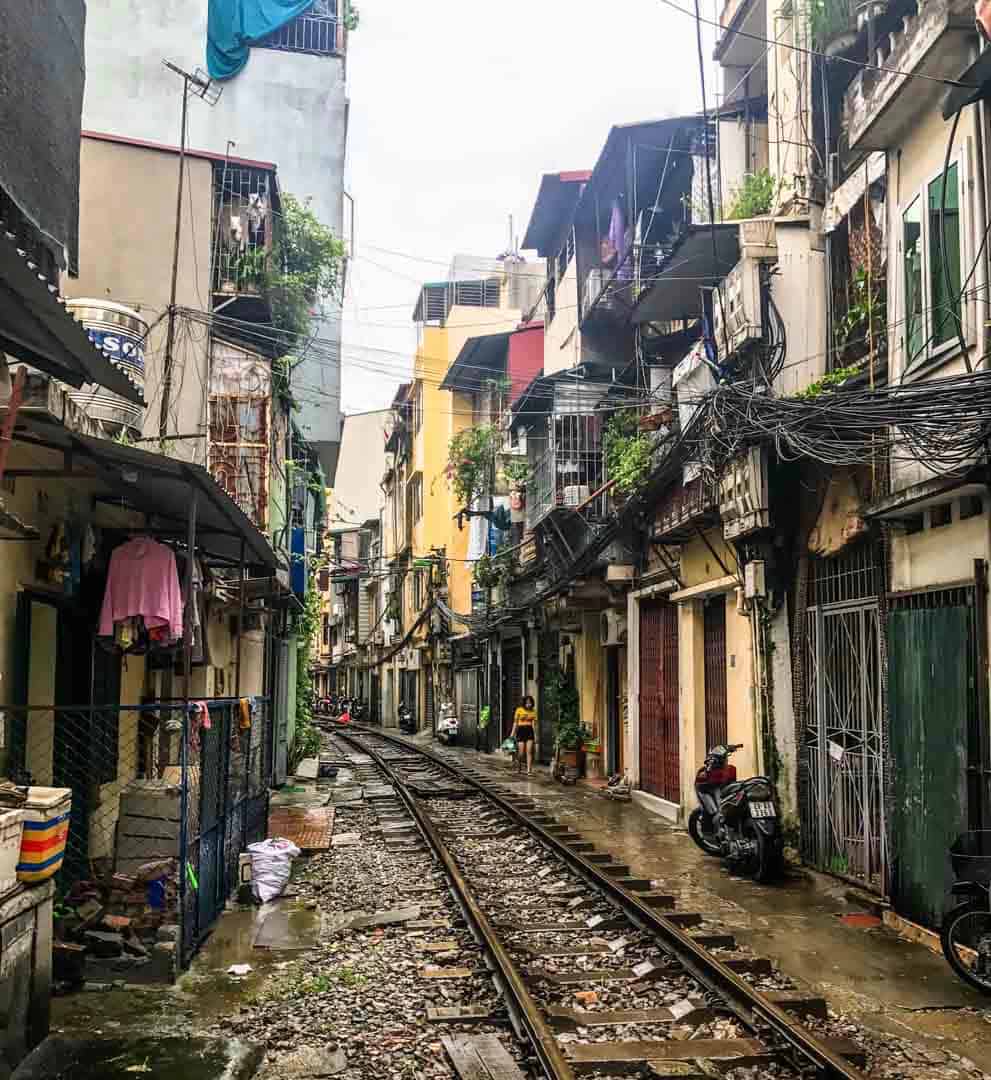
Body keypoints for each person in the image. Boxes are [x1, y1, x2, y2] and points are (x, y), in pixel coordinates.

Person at [511, 695, 537, 775]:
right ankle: (519, 767)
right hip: (521, 731)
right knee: (521, 753)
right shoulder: (519, 710)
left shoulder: (533, 711)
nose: (529, 704)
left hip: (529, 731)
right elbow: (515, 723)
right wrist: (512, 734)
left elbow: (534, 725)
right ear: (524, 703)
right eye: (527, 703)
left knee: (529, 752)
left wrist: (536, 735)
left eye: (530, 703)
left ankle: (529, 770)